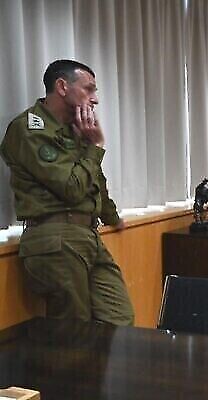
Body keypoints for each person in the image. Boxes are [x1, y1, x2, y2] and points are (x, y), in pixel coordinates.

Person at [0, 59, 134, 325]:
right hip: (54, 237)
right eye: (89, 89)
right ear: (62, 86)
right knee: (74, 329)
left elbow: (94, 180)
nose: (95, 99)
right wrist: (94, 147)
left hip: (86, 234)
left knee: (119, 319)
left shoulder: (75, 130)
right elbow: (71, 189)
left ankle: (95, 367)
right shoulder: (29, 128)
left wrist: (112, 216)